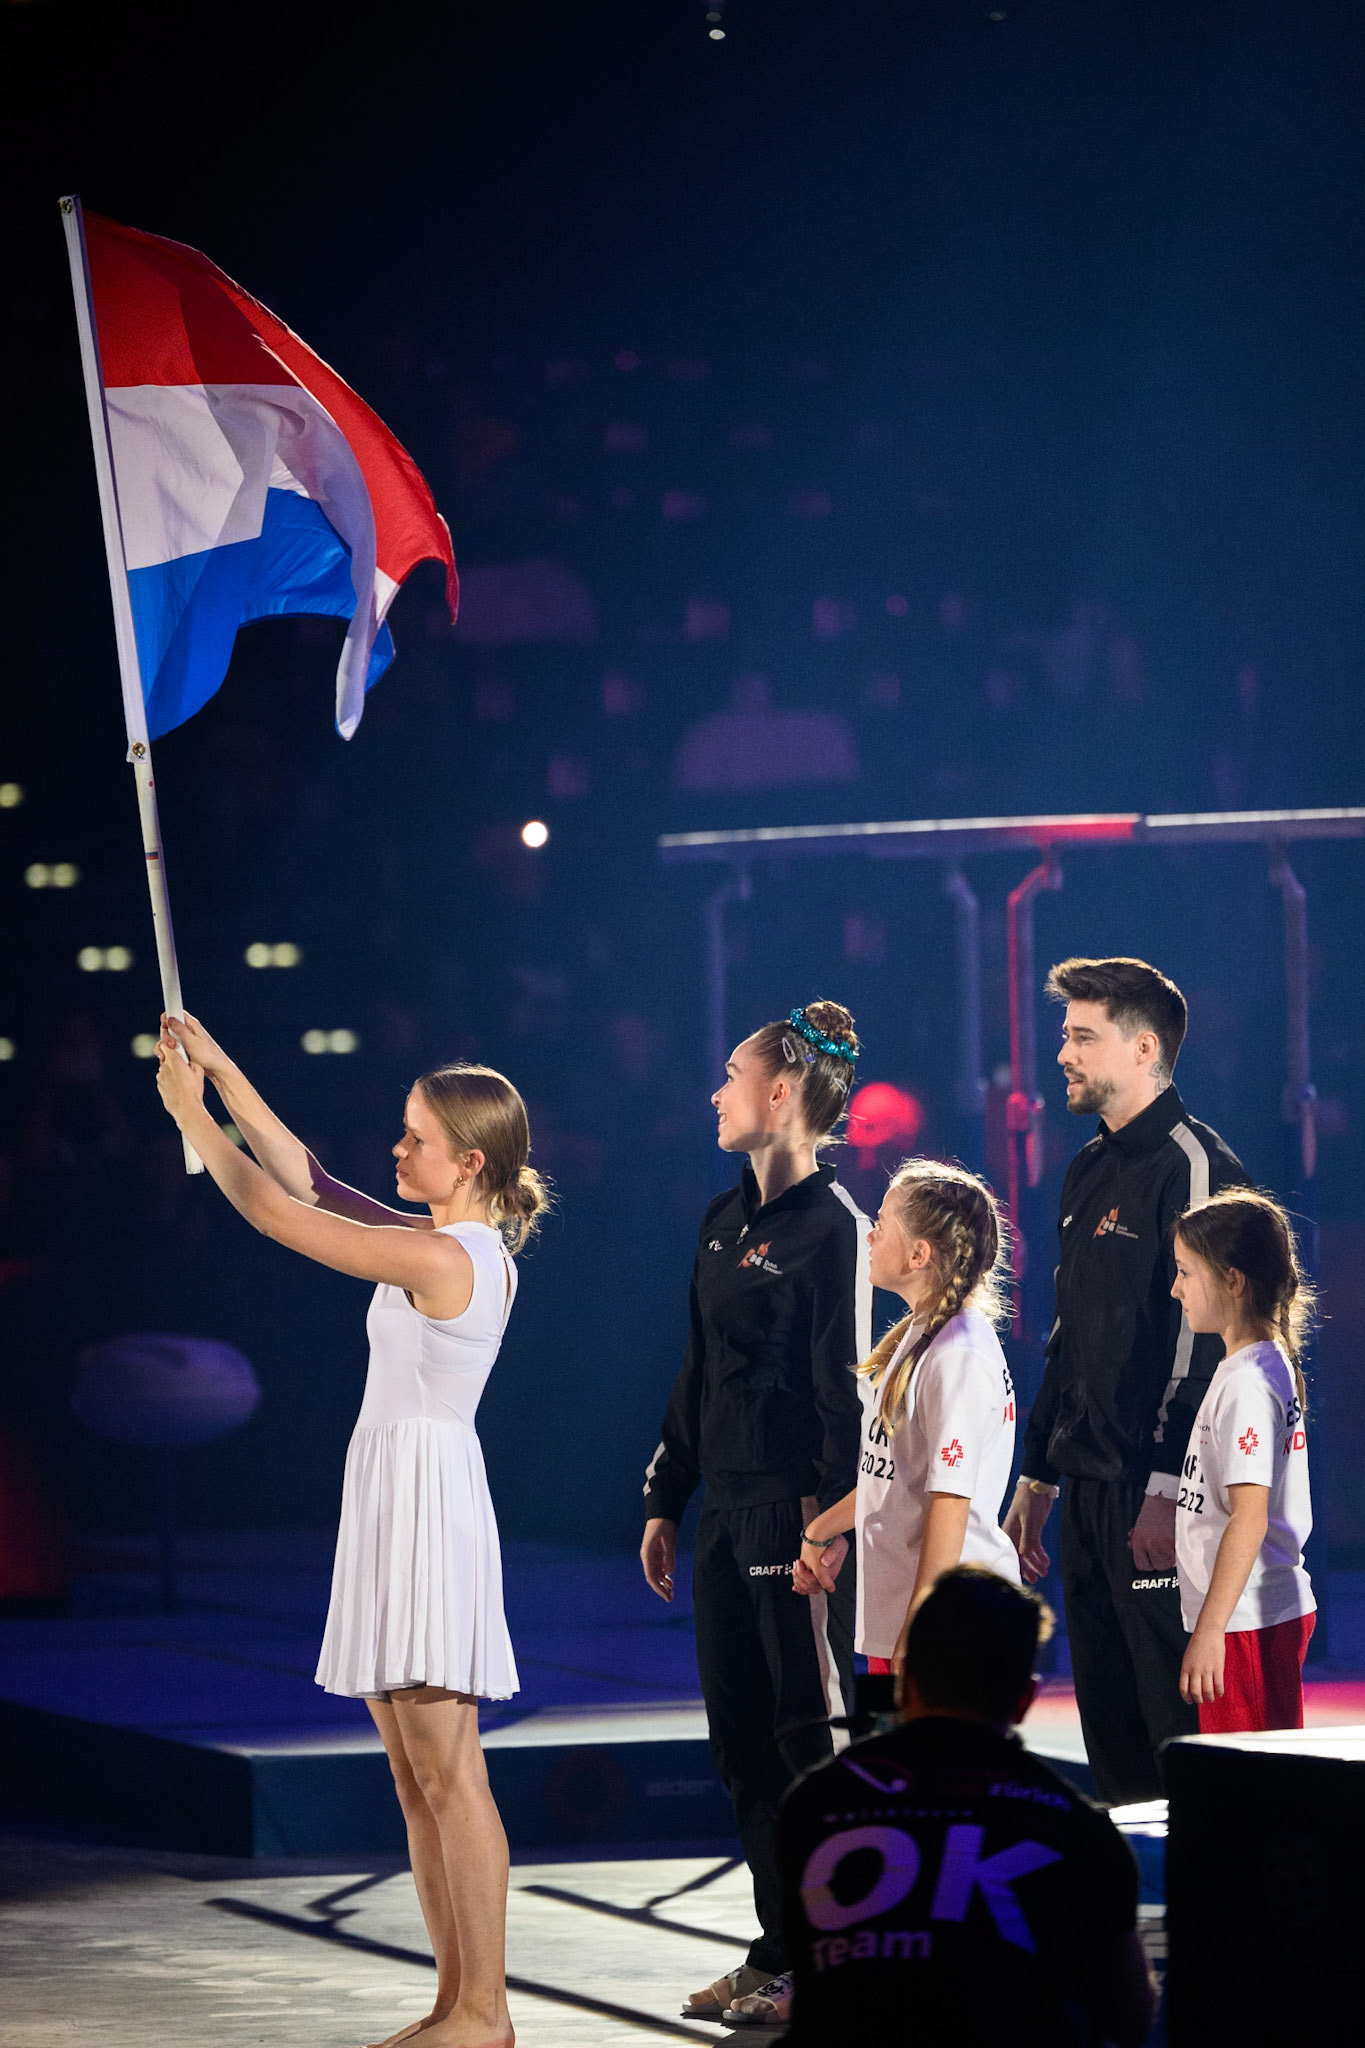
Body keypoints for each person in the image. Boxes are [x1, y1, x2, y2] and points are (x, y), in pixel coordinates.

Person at [153, 1011, 546, 2048]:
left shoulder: (452, 1256)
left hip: (427, 1497)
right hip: (391, 1492)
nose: (396, 1147)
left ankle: (487, 2010)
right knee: (413, 1772)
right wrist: (225, 1071)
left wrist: (196, 1123)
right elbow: (314, 1178)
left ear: (467, 1160)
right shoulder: (430, 1237)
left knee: (450, 1767)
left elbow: (285, 1218)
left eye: (414, 1136)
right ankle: (455, 1998)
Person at [640, 1001, 870, 2025]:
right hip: (723, 1516)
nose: (716, 1091)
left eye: (730, 1073)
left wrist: (825, 1523)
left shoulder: (837, 1229)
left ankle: (829, 1959)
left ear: (780, 1092)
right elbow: (699, 1368)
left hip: (794, 1519)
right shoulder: (720, 1219)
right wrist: (666, 1492)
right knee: (739, 1743)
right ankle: (779, 1945)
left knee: (803, 1743)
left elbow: (845, 1394)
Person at [1004, 956, 1249, 1806]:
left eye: (1081, 1036)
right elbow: (1067, 1331)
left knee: (1167, 1727)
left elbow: (1204, 1338)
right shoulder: (1083, 1169)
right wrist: (1036, 1471)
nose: (1061, 1054)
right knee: (1107, 1728)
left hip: (1158, 1499)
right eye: (1062, 1035)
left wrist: (1161, 1481)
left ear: (1143, 1048)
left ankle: (1204, 1923)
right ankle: (1140, 1930)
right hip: (1085, 1486)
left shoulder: (1193, 1164)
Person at [775, 1568, 1157, 2048]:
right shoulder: (1076, 1827)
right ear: (1025, 1699)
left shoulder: (815, 1804)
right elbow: (1128, 2016)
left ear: (905, 1681)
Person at [795, 1159, 1020, 1679]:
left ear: (920, 1254)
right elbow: (892, 1478)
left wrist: (922, 1630)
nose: (871, 1235)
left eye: (883, 1224)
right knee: (895, 1763)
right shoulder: (920, 1337)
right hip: (902, 1624)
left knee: (939, 1764)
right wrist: (820, 1531)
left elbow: (949, 1504)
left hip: (948, 1633)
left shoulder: (958, 1354)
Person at [1171, 1190, 1316, 1732]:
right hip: (1243, 1618)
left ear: (1234, 1281)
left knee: (1255, 1793)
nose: (1175, 1288)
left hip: (1247, 1621)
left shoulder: (1250, 1382)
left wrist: (1212, 1628)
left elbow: (1248, 1516)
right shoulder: (1249, 1366)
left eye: (1187, 1273)